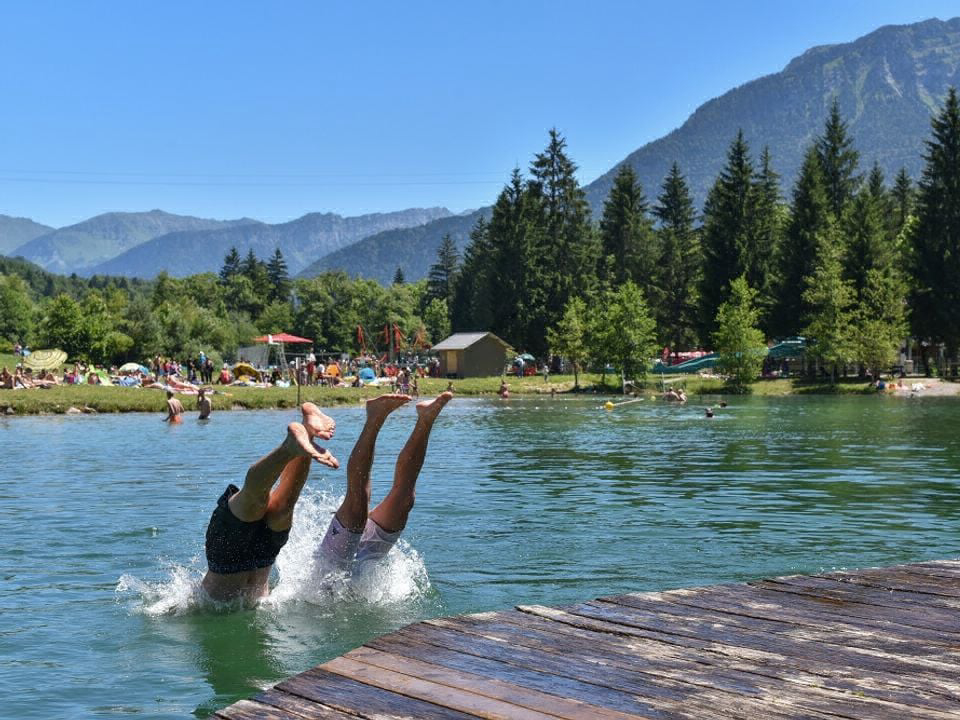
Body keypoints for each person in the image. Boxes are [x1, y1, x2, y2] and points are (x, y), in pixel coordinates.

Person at [202, 404, 339, 602]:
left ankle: (291, 446)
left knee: (256, 499)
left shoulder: (201, 603)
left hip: (229, 565)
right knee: (281, 506)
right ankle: (307, 433)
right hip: (263, 561)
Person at [315, 392, 453, 575]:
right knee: (404, 501)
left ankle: (377, 416)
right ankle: (424, 420)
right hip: (360, 569)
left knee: (359, 508)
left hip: (332, 564)